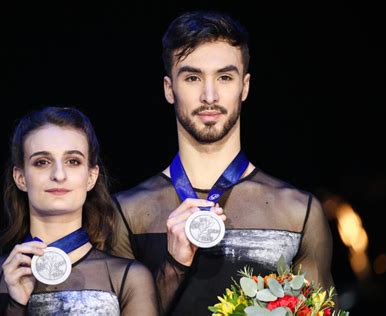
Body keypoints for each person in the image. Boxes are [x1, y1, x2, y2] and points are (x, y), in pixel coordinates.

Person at [110, 10, 335, 315]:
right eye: (192, 77)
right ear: (168, 88)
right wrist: (173, 267)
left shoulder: (298, 212)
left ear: (245, 86)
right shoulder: (126, 213)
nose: (209, 95)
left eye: (225, 77)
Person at [0, 107, 158, 315]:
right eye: (42, 162)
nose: (59, 175)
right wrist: (16, 305)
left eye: (73, 161)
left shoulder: (128, 278)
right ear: (21, 178)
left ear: (91, 177)